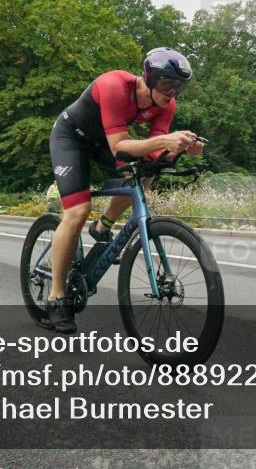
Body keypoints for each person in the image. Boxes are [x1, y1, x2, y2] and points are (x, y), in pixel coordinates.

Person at [45, 48, 204, 333]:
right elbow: (120, 146)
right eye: (167, 84)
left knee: (145, 171)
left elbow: (153, 152)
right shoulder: (114, 85)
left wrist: (181, 150)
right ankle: (57, 296)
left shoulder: (166, 106)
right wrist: (165, 142)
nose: (172, 93)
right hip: (72, 138)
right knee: (78, 211)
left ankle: (103, 225)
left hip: (105, 141)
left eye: (179, 87)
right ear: (150, 78)